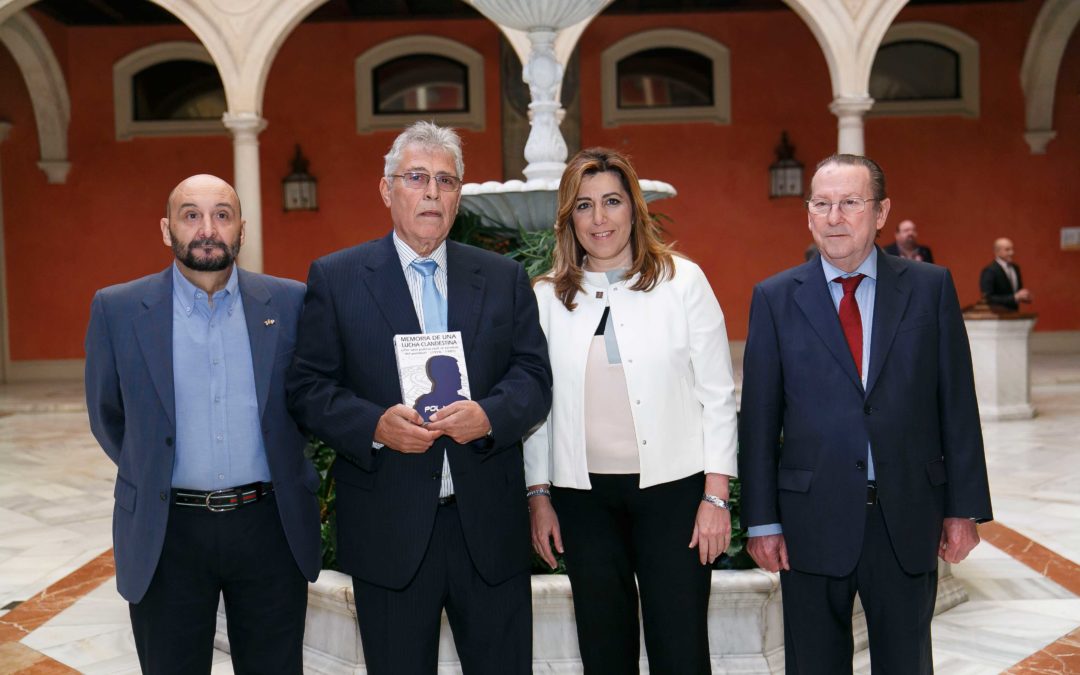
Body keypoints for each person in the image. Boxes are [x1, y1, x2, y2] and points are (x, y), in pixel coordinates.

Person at [285, 121, 551, 675]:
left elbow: (533, 376)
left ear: (458, 195)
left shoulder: (502, 277)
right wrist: (374, 426)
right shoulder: (337, 279)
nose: (432, 191)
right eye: (416, 177)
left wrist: (490, 415)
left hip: (487, 527)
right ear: (387, 190)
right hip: (390, 529)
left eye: (446, 180)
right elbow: (308, 388)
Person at [739, 154, 992, 675]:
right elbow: (759, 420)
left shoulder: (930, 288)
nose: (835, 217)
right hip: (811, 520)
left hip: (906, 516)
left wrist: (963, 508)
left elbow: (958, 406)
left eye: (850, 203)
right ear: (808, 214)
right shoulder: (775, 298)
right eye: (822, 204)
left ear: (880, 213)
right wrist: (762, 520)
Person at [84, 174, 321, 674]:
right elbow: (109, 415)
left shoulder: (291, 303)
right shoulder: (118, 309)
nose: (207, 228)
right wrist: (152, 469)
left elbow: (311, 402)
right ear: (167, 229)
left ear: (241, 230)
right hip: (167, 530)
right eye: (191, 215)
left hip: (269, 527)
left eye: (222, 215)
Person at [526, 147, 739, 674]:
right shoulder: (547, 298)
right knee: (603, 650)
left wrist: (717, 496)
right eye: (583, 205)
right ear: (568, 219)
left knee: (681, 648)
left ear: (634, 209)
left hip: (674, 494)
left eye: (612, 202)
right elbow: (537, 410)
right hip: (582, 500)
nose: (599, 219)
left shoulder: (682, 283)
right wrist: (538, 496)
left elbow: (717, 394)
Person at [979, 237, 1031, 311]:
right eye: (1007, 250)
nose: (1011, 253)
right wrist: (1014, 297)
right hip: (998, 316)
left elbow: (1016, 291)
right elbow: (987, 298)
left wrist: (1023, 296)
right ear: (997, 251)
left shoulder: (1015, 268)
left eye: (1012, 249)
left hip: (1015, 314)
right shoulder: (990, 270)